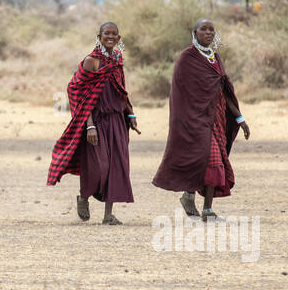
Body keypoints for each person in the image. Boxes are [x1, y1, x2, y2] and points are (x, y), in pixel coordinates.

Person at [152, 18, 251, 221]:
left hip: (217, 118)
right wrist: (186, 119)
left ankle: (189, 195)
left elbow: (223, 90)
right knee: (211, 159)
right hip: (194, 119)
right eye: (203, 29)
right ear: (194, 33)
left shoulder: (215, 57)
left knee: (208, 160)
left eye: (211, 30)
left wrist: (240, 118)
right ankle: (207, 210)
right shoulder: (187, 57)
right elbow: (180, 92)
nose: (208, 33)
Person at [47, 22, 140, 224]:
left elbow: (121, 89)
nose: (110, 37)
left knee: (117, 166)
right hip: (96, 121)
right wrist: (89, 124)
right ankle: (83, 197)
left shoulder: (117, 59)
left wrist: (130, 114)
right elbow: (75, 90)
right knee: (100, 166)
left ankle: (108, 215)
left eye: (114, 34)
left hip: (116, 120)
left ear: (118, 38)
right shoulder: (92, 61)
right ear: (99, 36)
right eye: (106, 33)